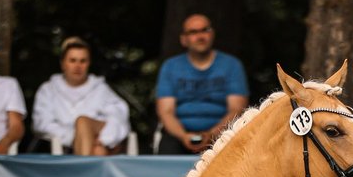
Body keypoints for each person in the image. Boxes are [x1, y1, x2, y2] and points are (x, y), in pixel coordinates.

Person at [154, 13, 248, 155]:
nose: (200, 36)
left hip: (223, 135)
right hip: (178, 137)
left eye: (205, 30)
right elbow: (165, 112)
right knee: (167, 152)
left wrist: (211, 134)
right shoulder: (170, 67)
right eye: (193, 32)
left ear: (212, 34)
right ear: (183, 39)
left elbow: (236, 109)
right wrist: (183, 136)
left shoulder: (231, 65)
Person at [32, 37, 131, 155]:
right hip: (65, 147)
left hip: (98, 138)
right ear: (63, 63)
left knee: (83, 122)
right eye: (73, 60)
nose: (78, 66)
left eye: (82, 61)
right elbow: (42, 124)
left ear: (88, 63)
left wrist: (103, 139)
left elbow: (118, 117)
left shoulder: (100, 89)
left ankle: (82, 168)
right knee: (97, 150)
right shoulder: (48, 90)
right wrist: (76, 137)